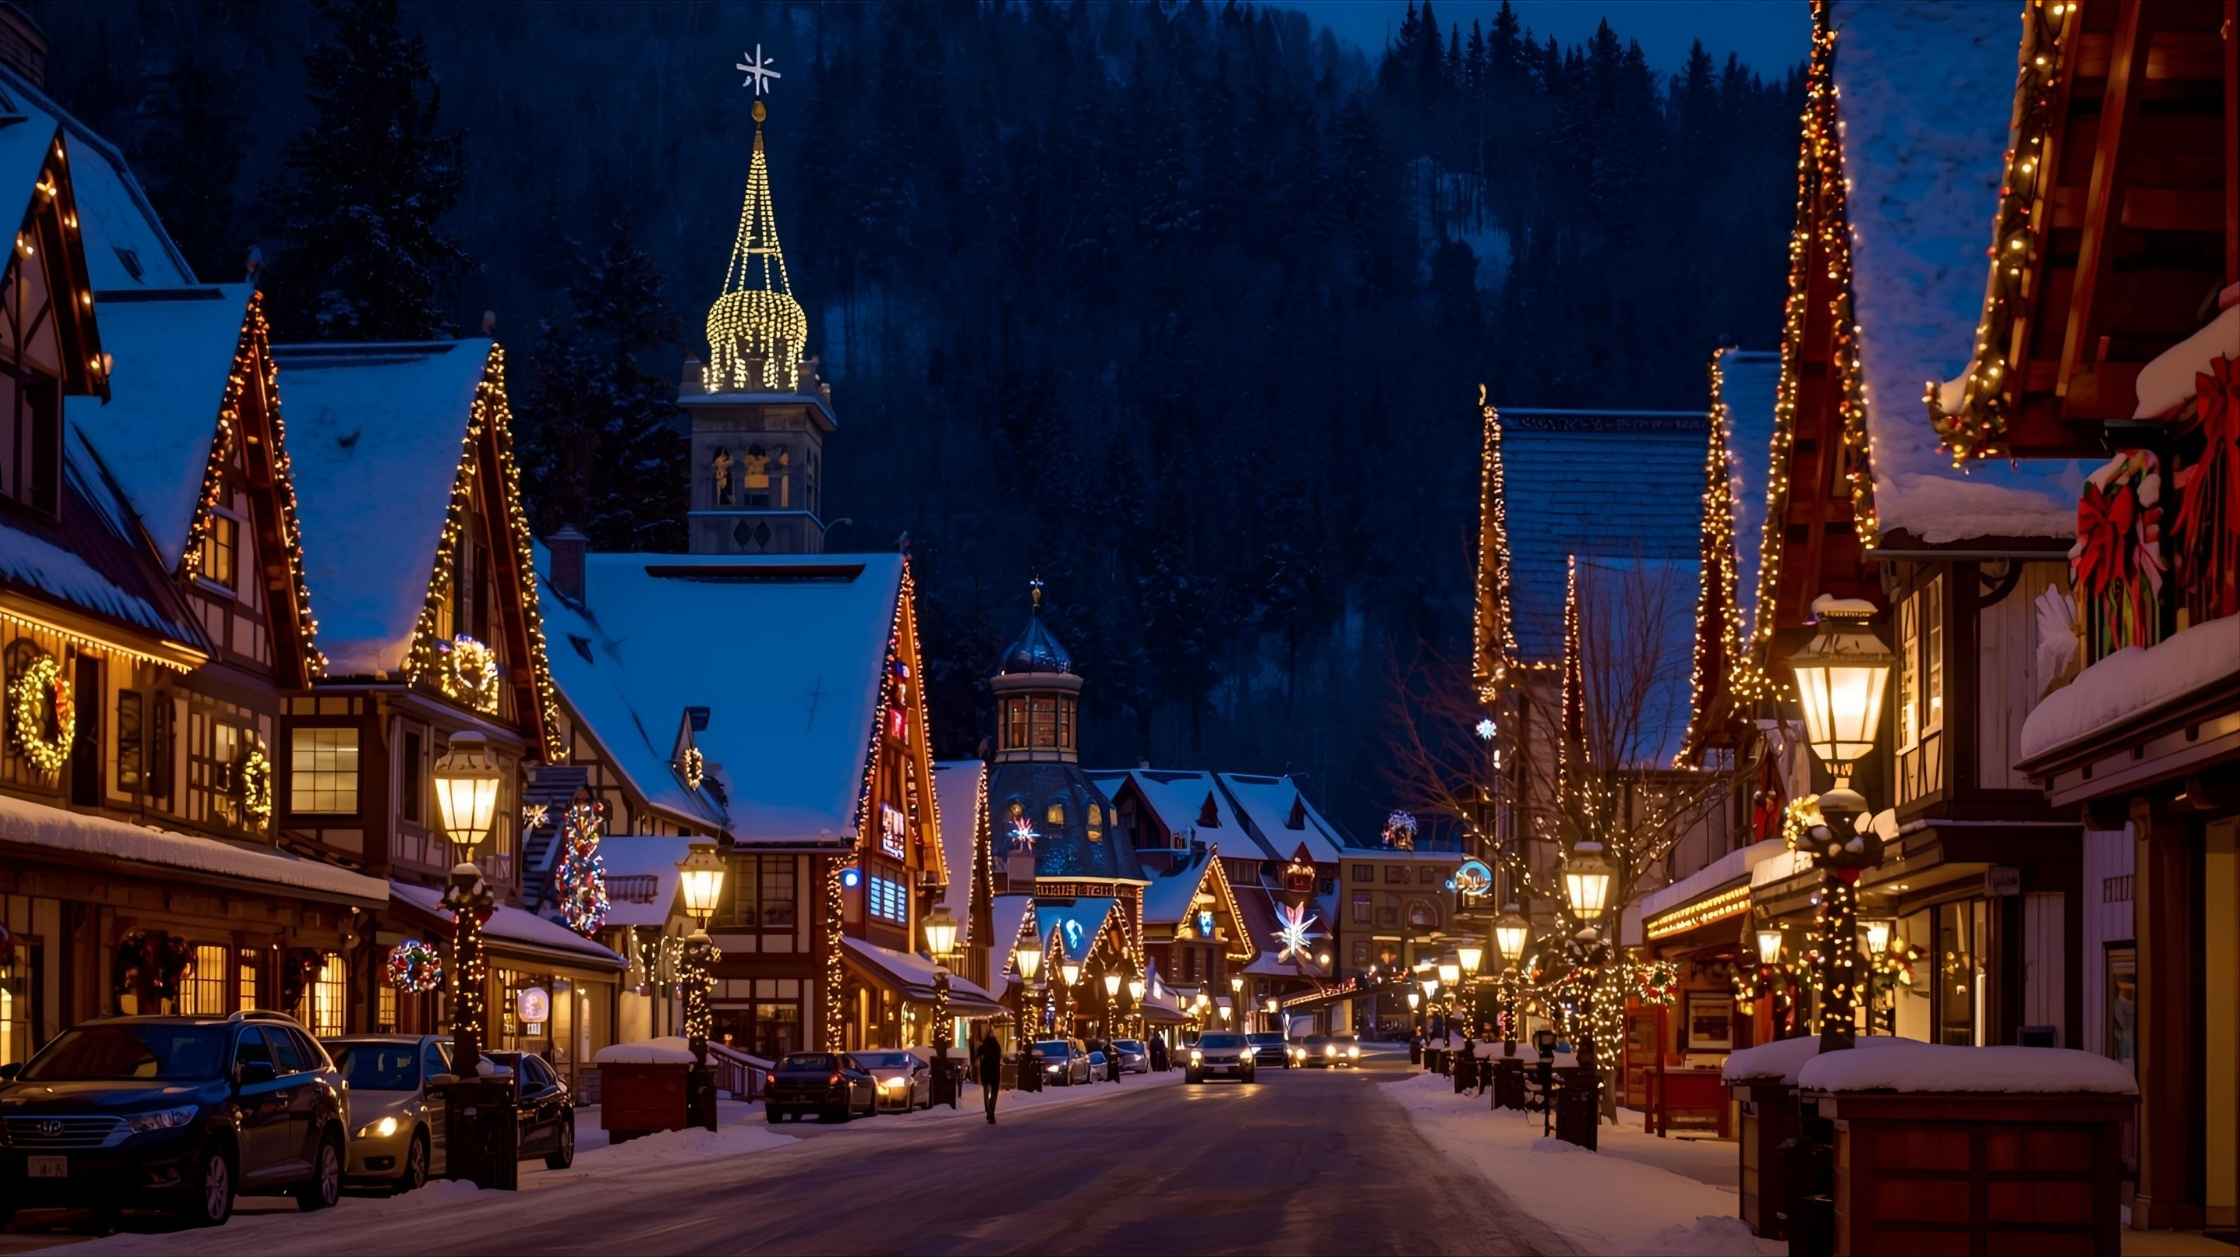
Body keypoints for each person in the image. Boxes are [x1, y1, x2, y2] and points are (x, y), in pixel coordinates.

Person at [976, 1031, 1003, 1125]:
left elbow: (977, 1057)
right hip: (995, 1073)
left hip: (986, 1072)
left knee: (986, 1092)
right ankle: (991, 1111)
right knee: (994, 1093)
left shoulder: (983, 1046)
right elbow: (999, 1058)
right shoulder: (997, 1046)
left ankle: (988, 1110)